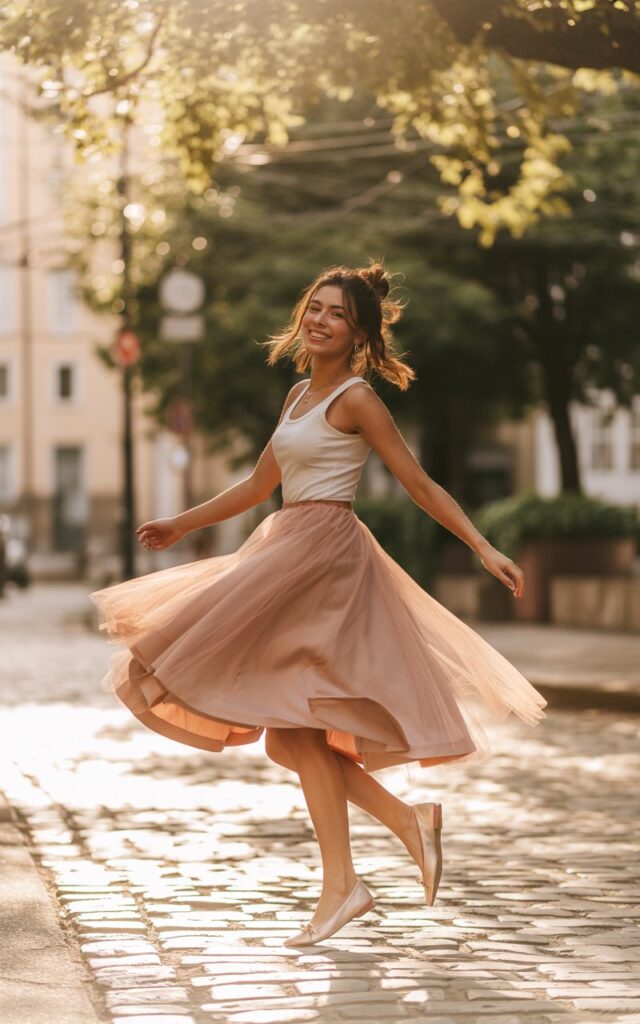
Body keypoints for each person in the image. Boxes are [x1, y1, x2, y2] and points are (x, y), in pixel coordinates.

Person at [91, 261, 546, 948]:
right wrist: (182, 523)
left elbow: (419, 484)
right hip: (287, 548)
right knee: (289, 736)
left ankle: (352, 877)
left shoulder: (359, 398)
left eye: (336, 312)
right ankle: (389, 840)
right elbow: (256, 486)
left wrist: (484, 547)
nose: (319, 318)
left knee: (290, 729)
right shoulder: (299, 395)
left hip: (326, 562)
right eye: (315, 306)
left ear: (358, 332)